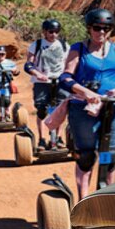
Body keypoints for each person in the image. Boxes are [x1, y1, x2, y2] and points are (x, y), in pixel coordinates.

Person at [59, 8, 115, 200]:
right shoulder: (78, 48)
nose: (101, 32)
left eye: (106, 28)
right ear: (89, 28)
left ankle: (105, 199)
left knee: (109, 154)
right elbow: (65, 77)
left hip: (114, 106)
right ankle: (84, 200)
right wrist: (86, 92)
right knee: (86, 156)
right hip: (83, 108)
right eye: (97, 28)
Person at [24, 19, 70, 150]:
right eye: (51, 32)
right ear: (44, 31)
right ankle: (42, 140)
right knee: (42, 111)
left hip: (60, 82)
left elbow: (70, 63)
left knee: (61, 110)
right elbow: (28, 64)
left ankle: (59, 138)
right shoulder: (36, 45)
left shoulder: (64, 45)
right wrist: (36, 74)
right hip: (42, 82)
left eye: (56, 32)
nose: (54, 34)